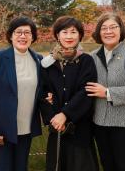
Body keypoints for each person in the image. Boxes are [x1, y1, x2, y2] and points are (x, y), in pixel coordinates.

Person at [85, 13, 125, 171]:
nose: (108, 31)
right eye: (104, 28)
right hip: (99, 122)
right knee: (107, 165)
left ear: (121, 30)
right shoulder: (91, 57)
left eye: (113, 27)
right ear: (98, 32)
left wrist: (107, 93)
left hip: (124, 124)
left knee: (123, 166)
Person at [0, 16, 42, 171]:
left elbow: (42, 91)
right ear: (10, 35)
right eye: (18, 32)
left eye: (27, 32)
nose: (23, 36)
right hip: (1, 130)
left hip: (26, 128)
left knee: (21, 168)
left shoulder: (39, 60)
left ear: (33, 36)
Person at [39, 16, 99, 171]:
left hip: (80, 128)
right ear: (57, 35)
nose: (69, 36)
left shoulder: (86, 61)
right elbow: (43, 92)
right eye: (64, 32)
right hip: (57, 128)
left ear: (79, 35)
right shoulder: (49, 63)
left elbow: (86, 91)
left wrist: (65, 114)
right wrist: (53, 118)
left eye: (73, 32)